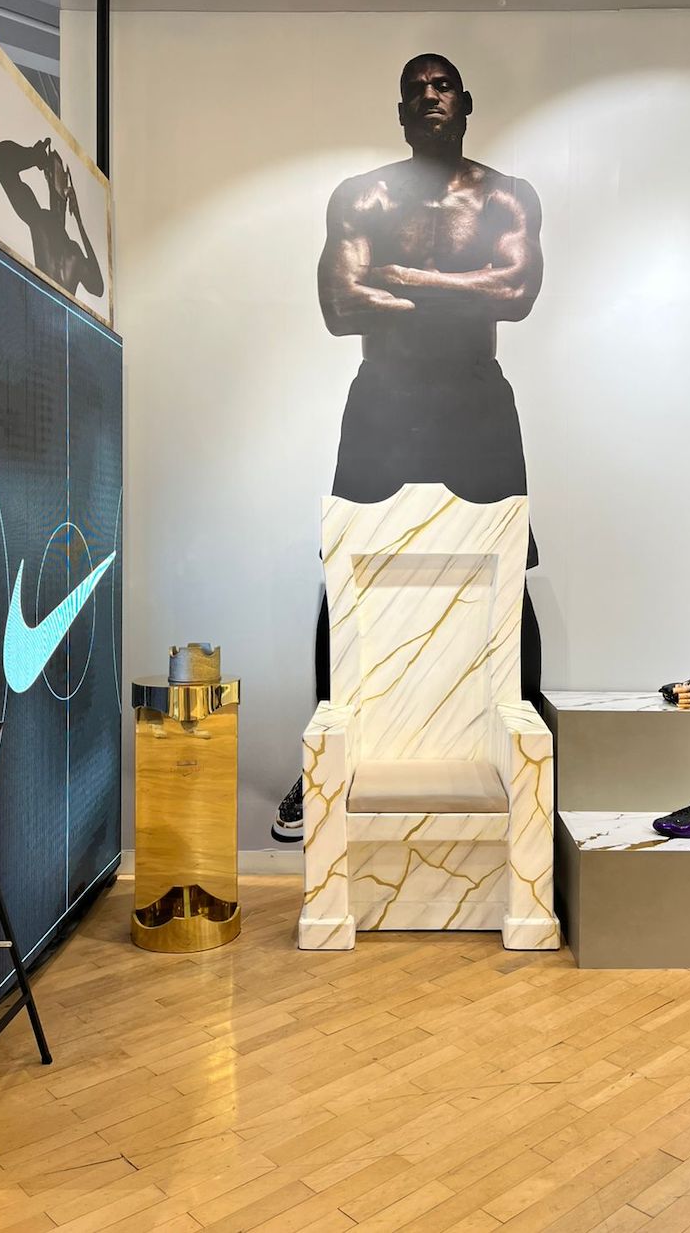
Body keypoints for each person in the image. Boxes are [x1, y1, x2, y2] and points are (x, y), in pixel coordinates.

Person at [272, 54, 544, 842]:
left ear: (466, 102)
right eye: (415, 90)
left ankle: (530, 761)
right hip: (385, 399)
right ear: (400, 113)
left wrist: (405, 278)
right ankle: (327, 761)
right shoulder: (364, 195)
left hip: (475, 398)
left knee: (508, 577)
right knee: (348, 575)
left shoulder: (506, 195)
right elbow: (340, 304)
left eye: (442, 85)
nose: (430, 96)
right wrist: (464, 289)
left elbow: (517, 293)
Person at [0, 138, 105, 299]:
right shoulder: (74, 252)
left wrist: (32, 156)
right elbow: (98, 287)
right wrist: (78, 220)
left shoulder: (41, 223)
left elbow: (1, 156)